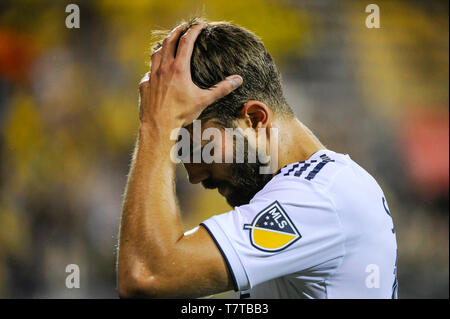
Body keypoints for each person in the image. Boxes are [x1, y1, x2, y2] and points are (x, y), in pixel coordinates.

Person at [116, 18, 398, 299]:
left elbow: (146, 275)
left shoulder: (319, 196)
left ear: (254, 118)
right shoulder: (324, 185)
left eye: (201, 148)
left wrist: (157, 126)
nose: (194, 175)